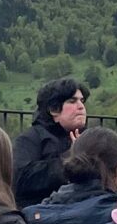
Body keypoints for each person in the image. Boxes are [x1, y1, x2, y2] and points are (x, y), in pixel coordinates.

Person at [14, 77, 88, 208]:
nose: (81, 106)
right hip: (41, 213)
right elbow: (21, 180)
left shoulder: (90, 139)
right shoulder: (30, 139)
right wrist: (69, 158)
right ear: (54, 109)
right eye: (72, 101)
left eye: (82, 101)